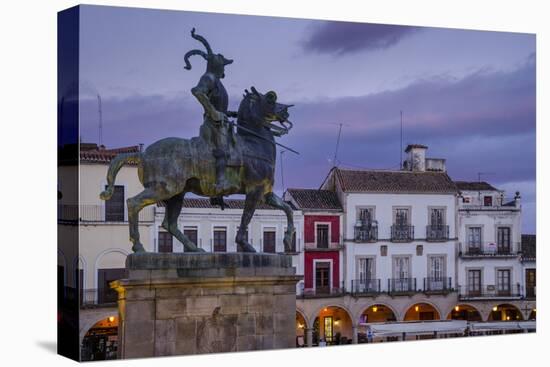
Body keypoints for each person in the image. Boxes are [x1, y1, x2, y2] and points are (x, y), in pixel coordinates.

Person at [183, 28, 237, 207]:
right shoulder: (209, 78)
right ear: (216, 65)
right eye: (223, 65)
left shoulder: (218, 82)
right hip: (213, 126)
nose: (224, 69)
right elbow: (197, 92)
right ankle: (218, 186)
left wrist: (230, 113)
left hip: (221, 124)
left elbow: (218, 106)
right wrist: (214, 113)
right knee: (223, 151)